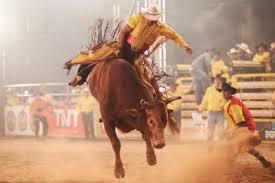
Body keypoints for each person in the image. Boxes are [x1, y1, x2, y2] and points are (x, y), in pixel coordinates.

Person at [67, 3, 192, 87]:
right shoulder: (138, 18)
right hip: (124, 45)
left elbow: (174, 35)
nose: (151, 19)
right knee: (97, 55)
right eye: (149, 16)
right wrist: (120, 46)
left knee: (144, 77)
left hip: (137, 54)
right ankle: (80, 77)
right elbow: (124, 31)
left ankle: (154, 96)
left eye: (153, 17)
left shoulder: (161, 28)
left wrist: (185, 45)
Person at [220, 82, 272, 168]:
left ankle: (227, 164)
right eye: (223, 91)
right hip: (244, 126)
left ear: (230, 92)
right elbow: (231, 120)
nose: (225, 93)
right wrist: (228, 129)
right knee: (247, 147)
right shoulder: (229, 103)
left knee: (233, 145)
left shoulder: (233, 104)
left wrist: (231, 131)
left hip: (244, 127)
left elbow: (241, 123)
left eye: (227, 91)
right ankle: (264, 161)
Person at [199, 74, 226, 141]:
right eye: (216, 79)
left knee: (221, 130)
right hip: (211, 112)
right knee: (210, 130)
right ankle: (210, 146)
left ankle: (221, 145)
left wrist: (223, 105)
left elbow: (226, 100)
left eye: (219, 80)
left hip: (220, 112)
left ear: (221, 81)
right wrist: (201, 109)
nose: (217, 81)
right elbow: (205, 100)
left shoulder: (224, 90)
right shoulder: (209, 90)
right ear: (214, 80)